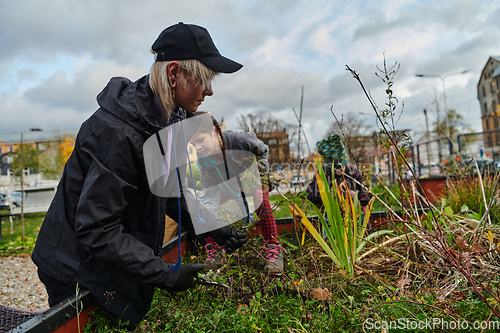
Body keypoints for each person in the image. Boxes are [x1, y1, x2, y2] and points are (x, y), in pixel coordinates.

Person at [31, 22, 248, 330]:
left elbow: (166, 189)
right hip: (75, 265)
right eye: (204, 79)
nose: (210, 90)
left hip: (105, 260)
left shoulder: (171, 119)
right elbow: (97, 229)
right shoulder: (117, 133)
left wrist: (212, 227)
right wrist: (165, 274)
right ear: (174, 74)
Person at [189, 111, 284, 275]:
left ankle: (273, 249)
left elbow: (263, 150)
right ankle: (216, 251)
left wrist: (260, 175)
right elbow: (209, 191)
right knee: (204, 209)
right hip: (229, 188)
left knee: (259, 198)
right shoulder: (204, 159)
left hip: (253, 180)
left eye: (200, 141)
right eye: (193, 144)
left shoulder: (239, 140)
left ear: (214, 131)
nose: (197, 147)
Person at [306, 133, 370, 214]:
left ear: (345, 162)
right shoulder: (322, 174)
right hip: (330, 218)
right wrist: (324, 196)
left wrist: (362, 200)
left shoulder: (353, 172)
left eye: (340, 167)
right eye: (335, 168)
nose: (338, 171)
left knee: (352, 194)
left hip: (353, 217)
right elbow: (309, 193)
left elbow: (364, 188)